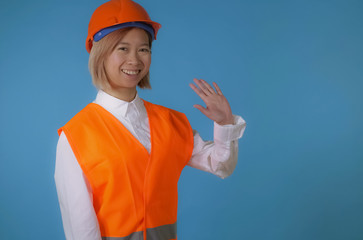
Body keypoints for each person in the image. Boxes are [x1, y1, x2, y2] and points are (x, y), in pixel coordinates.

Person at [54, 0, 246, 239]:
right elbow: (80, 227)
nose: (135, 60)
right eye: (122, 48)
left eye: (143, 49)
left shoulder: (171, 122)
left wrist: (225, 123)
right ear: (99, 53)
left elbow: (221, 165)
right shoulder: (76, 136)